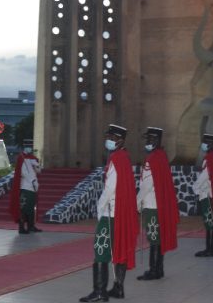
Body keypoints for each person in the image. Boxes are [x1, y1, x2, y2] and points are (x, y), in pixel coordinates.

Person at [80, 124, 138, 302]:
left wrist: (100, 207)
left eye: (112, 138)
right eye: (109, 138)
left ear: (120, 140)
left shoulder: (116, 158)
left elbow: (110, 187)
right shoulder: (125, 157)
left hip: (111, 212)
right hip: (120, 213)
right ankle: (118, 288)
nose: (109, 141)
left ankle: (99, 292)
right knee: (118, 248)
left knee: (101, 250)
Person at [136, 127, 179, 281]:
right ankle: (159, 269)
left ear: (157, 140)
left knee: (154, 238)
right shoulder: (161, 156)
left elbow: (146, 185)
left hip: (151, 205)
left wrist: (137, 202)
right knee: (158, 238)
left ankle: (153, 270)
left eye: (150, 139)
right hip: (158, 204)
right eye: (147, 139)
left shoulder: (153, 158)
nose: (147, 142)